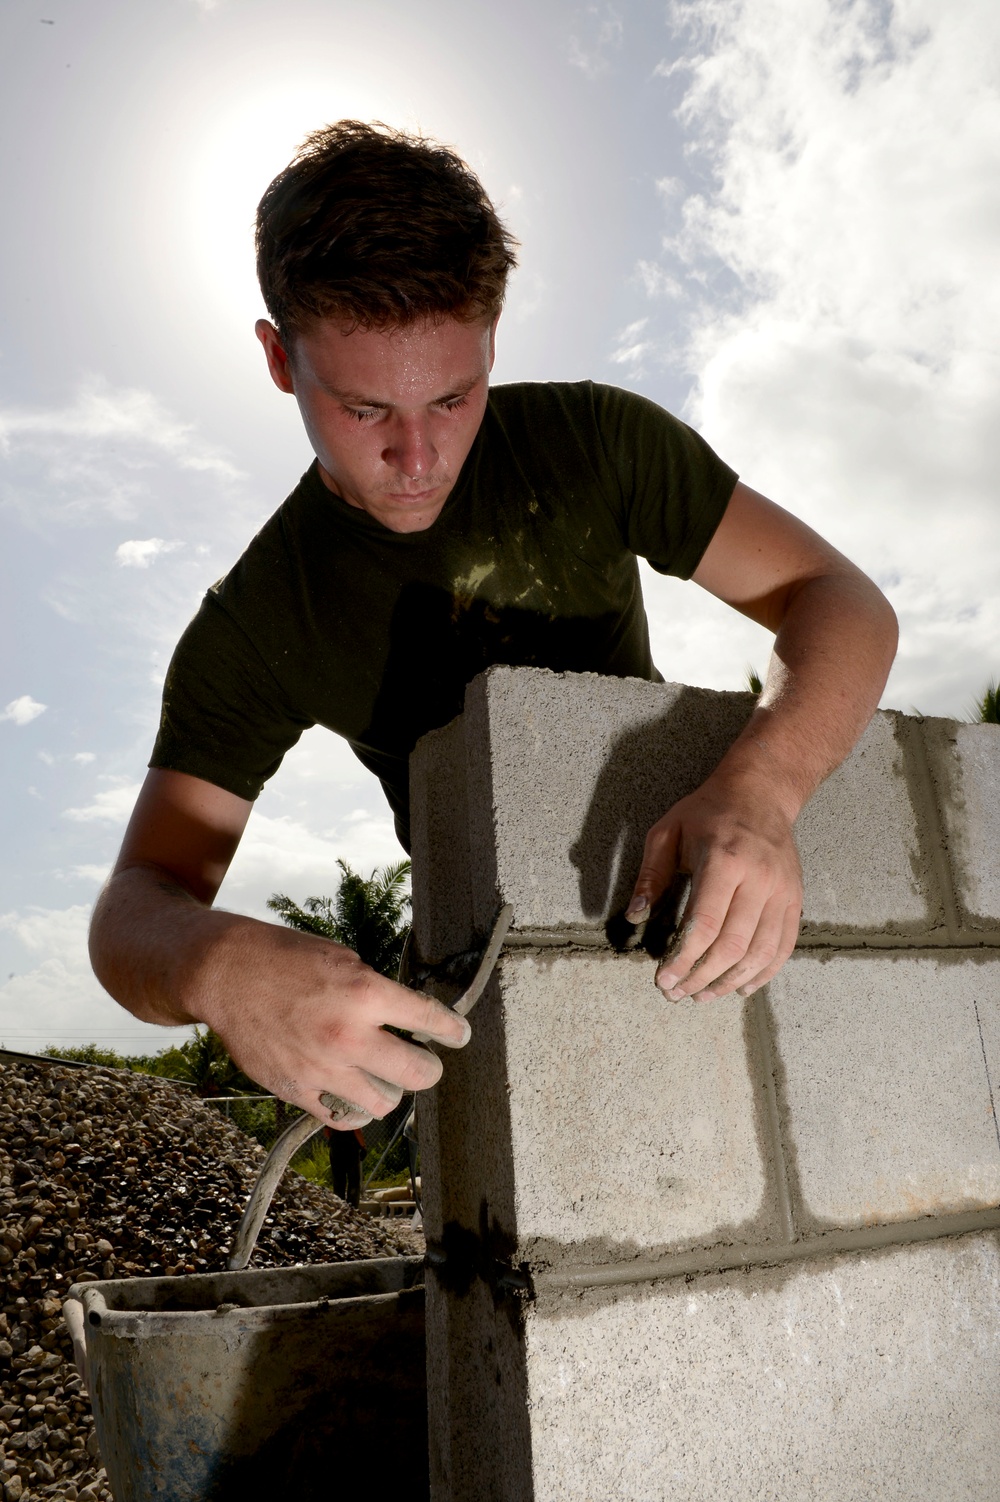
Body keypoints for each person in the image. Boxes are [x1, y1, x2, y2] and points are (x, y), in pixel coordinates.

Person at [89, 121, 898, 1136]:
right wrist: (213, 964)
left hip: (678, 918)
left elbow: (838, 593)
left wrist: (765, 788)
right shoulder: (257, 622)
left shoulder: (593, 442)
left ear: (492, 339)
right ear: (277, 359)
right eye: (365, 408)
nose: (418, 454)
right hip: (489, 994)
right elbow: (133, 907)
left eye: (453, 396)